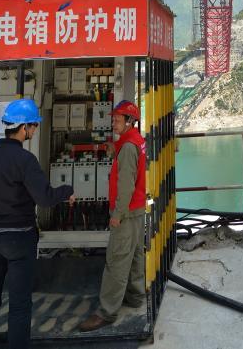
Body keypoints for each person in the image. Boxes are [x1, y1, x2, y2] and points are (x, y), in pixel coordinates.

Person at [0, 98, 75, 349]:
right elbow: (44, 198)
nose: (35, 130)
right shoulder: (25, 160)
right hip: (19, 240)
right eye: (34, 126)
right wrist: (67, 190)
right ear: (24, 127)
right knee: (19, 305)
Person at [79, 100, 147, 332]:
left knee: (117, 261)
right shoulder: (135, 141)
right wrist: (113, 147)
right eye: (113, 119)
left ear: (130, 121)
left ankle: (106, 312)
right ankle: (136, 297)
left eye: (118, 119)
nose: (113, 123)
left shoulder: (128, 148)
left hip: (125, 213)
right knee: (135, 256)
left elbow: (126, 184)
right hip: (137, 210)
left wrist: (117, 214)